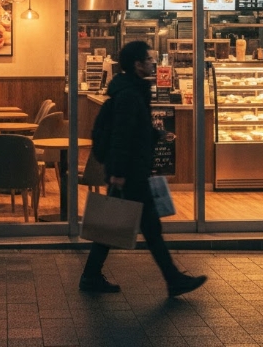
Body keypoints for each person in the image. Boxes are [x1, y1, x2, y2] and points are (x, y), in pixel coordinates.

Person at [80, 41, 207, 298]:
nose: (153, 63)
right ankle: (172, 279)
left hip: (132, 169)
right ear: (137, 65)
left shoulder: (132, 90)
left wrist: (156, 134)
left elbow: (133, 129)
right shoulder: (129, 94)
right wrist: (118, 172)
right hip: (130, 171)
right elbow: (121, 135)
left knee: (121, 224)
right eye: (149, 59)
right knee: (138, 226)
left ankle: (92, 275)